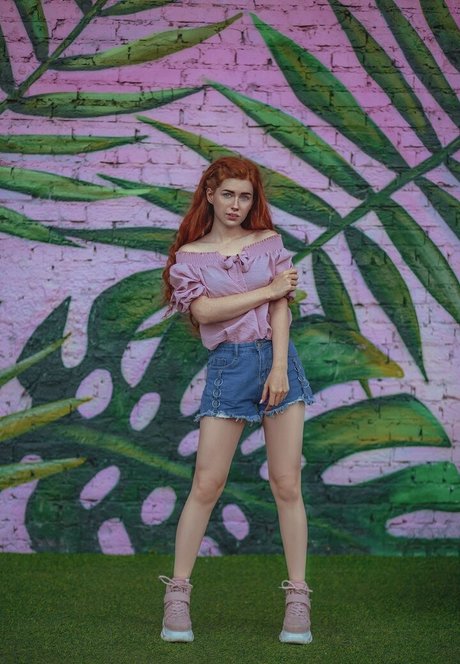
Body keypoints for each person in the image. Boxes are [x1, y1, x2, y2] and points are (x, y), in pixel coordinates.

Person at [159, 156, 315, 645]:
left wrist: (279, 367)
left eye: (245, 197)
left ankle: (298, 599)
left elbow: (281, 309)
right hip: (229, 364)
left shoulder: (268, 242)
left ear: (254, 201)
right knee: (207, 483)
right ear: (210, 194)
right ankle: (177, 595)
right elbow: (205, 312)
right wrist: (268, 289)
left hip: (278, 361)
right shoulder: (190, 257)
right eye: (227, 194)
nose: (236, 204)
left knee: (287, 484)